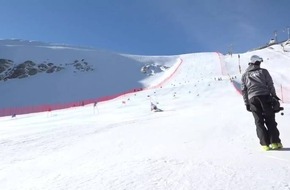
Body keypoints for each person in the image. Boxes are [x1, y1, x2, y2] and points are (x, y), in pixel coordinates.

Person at [241, 55, 283, 151]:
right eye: (259, 62)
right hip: (264, 96)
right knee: (270, 119)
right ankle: (275, 143)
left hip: (252, 99)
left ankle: (265, 145)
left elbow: (244, 90)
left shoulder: (244, 75)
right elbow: (270, 84)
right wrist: (274, 96)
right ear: (256, 62)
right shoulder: (263, 71)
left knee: (259, 121)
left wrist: (246, 103)